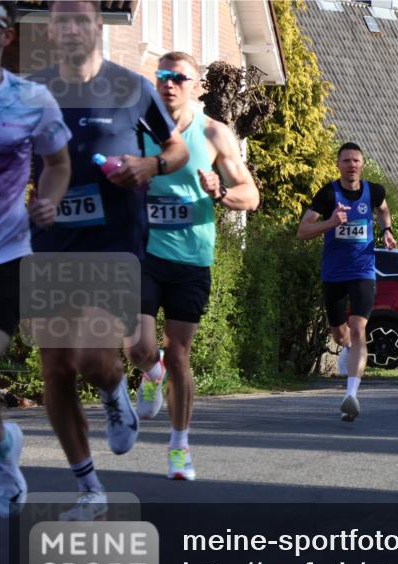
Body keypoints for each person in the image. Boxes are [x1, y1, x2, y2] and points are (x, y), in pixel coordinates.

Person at [29, 0, 187, 519]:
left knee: (93, 357)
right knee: (55, 368)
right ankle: (90, 490)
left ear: (98, 27)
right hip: (51, 239)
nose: (72, 29)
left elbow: (177, 149)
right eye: (62, 21)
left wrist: (149, 164)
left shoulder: (131, 86)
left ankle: (117, 390)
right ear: (51, 31)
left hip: (114, 240)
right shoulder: (34, 92)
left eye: (81, 19)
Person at [123, 51, 259, 480]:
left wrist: (220, 193)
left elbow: (251, 197)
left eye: (180, 77)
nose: (169, 83)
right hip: (144, 255)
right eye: (162, 75)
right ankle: (150, 370)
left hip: (191, 260)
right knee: (138, 347)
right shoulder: (137, 129)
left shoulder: (215, 134)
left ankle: (179, 446)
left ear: (197, 87)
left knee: (180, 352)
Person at [0, 0, 71, 516]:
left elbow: (58, 163)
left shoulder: (31, 99)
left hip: (3, 256)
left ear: (5, 34)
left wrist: (51, 199)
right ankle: (4, 447)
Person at [298, 142, 395, 421]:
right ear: (338, 164)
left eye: (356, 160)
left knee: (357, 328)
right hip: (334, 274)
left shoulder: (374, 191)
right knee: (340, 335)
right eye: (346, 161)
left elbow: (383, 209)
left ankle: (351, 394)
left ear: (362, 164)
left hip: (363, 271)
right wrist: (330, 223)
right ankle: (351, 353)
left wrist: (386, 230)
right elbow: (302, 231)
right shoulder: (328, 194)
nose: (352, 165)